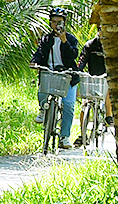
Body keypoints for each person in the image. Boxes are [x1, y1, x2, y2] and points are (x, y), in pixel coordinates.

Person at [33, 7, 82, 142]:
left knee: (69, 105)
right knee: (42, 91)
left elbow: (73, 55)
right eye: (54, 22)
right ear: (50, 23)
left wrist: (64, 40)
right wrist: (34, 63)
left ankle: (64, 136)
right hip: (50, 73)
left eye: (59, 22)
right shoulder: (46, 39)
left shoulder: (71, 39)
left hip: (67, 75)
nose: (56, 25)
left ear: (64, 23)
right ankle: (43, 110)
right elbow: (39, 53)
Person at [79, 33, 108, 145]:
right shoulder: (90, 45)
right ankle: (83, 134)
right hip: (91, 79)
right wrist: (78, 71)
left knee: (108, 93)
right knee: (84, 105)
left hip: (105, 79)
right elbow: (82, 60)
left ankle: (108, 116)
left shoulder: (109, 45)